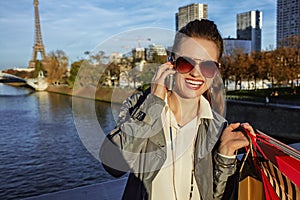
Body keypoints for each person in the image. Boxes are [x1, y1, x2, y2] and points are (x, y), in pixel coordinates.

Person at [100, 19, 255, 200]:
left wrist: (225, 155)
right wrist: (154, 104)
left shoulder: (218, 126)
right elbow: (114, 166)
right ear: (171, 62)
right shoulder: (140, 106)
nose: (196, 73)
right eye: (186, 63)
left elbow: (213, 196)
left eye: (207, 66)